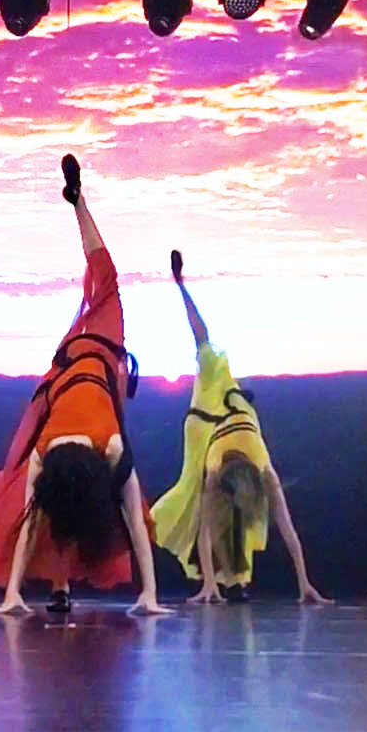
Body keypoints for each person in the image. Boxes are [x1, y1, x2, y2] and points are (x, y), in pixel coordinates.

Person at [0, 155, 173, 616]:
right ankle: (78, 201)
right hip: (74, 363)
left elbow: (31, 521)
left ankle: (78, 201)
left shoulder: (96, 448)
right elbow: (132, 524)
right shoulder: (89, 449)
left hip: (78, 359)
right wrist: (149, 596)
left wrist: (12, 594)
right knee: (105, 274)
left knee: (50, 503)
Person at [149, 249, 330, 605]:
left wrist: (305, 584)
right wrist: (180, 285)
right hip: (204, 429)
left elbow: (287, 529)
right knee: (199, 507)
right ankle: (220, 579)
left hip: (225, 426)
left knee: (234, 515)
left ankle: (230, 580)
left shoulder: (262, 471)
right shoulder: (218, 463)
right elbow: (199, 331)